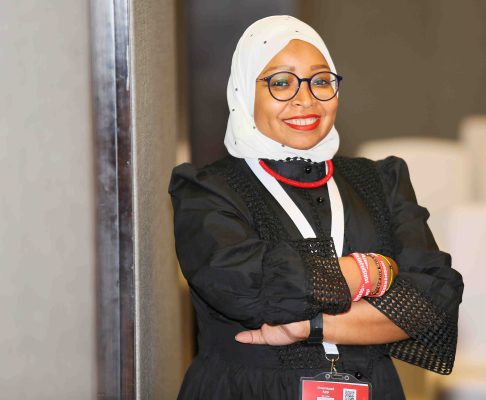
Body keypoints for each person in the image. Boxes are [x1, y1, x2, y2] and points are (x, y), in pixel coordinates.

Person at [168, 15, 463, 400]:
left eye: (321, 81)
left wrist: (308, 326)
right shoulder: (209, 189)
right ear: (244, 90)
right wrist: (369, 272)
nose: (305, 99)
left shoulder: (380, 181)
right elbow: (246, 288)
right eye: (281, 82)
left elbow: (434, 302)